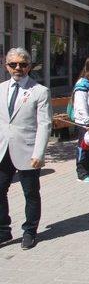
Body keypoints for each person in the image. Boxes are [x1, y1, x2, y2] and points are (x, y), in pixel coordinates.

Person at [0, 48, 52, 250]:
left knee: (30, 193)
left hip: (28, 152)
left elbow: (45, 124)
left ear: (29, 66)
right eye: (13, 64)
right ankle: (4, 230)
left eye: (22, 64)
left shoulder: (39, 91)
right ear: (7, 66)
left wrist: (39, 153)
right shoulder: (1, 89)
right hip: (3, 150)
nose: (18, 68)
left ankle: (30, 231)